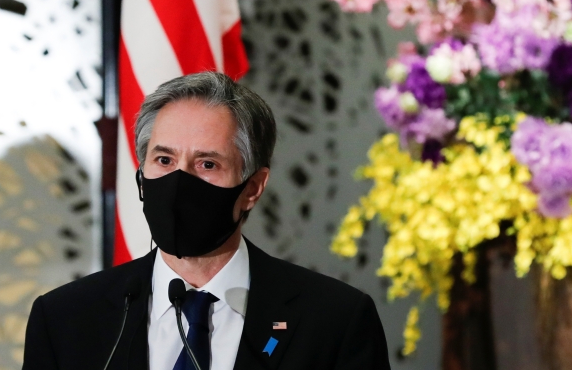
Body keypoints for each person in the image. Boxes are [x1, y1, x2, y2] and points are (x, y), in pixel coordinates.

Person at [22, 72, 391, 370]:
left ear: (253, 187)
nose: (179, 182)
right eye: (164, 161)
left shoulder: (336, 320)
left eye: (207, 164)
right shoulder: (64, 319)